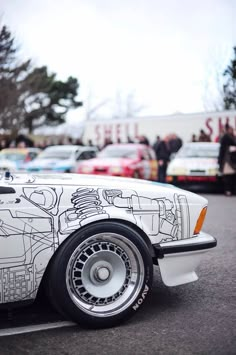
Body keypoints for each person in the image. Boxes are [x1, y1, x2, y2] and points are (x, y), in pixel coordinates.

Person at [218, 124, 236, 196]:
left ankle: (232, 190)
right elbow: (222, 150)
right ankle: (228, 190)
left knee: (232, 176)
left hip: (233, 159)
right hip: (228, 159)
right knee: (228, 176)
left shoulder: (233, 137)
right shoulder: (225, 137)